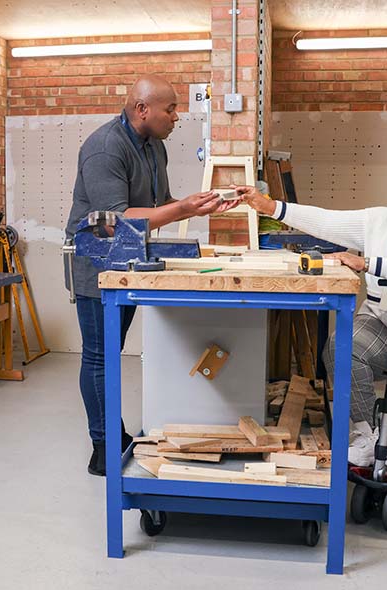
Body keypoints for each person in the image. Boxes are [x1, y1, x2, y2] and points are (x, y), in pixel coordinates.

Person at [238, 154, 387, 484]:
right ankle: (367, 436)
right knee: (343, 346)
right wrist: (272, 208)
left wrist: (369, 263)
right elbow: (328, 221)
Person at [64, 75, 239, 476]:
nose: (178, 116)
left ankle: (116, 434)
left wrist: (199, 205)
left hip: (128, 261)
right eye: (171, 108)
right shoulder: (105, 148)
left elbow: (160, 205)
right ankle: (103, 445)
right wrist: (184, 210)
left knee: (113, 349)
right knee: (99, 354)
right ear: (142, 109)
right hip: (96, 263)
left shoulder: (153, 147)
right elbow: (116, 222)